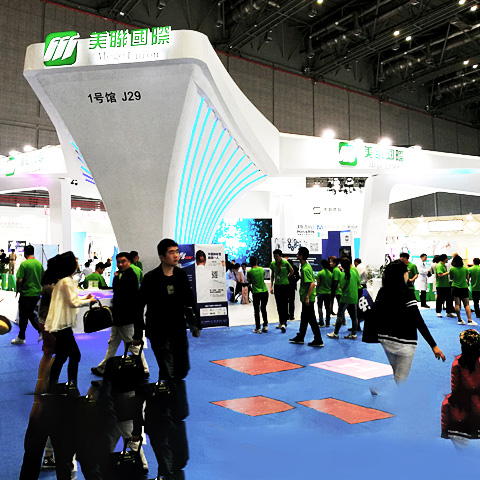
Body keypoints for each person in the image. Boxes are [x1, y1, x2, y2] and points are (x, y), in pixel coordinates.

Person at [135, 239, 201, 388]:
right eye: (171, 252)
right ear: (162, 257)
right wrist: (138, 334)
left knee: (182, 368)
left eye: (177, 252)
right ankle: (169, 393)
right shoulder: (151, 278)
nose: (176, 255)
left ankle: (168, 387)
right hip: (157, 329)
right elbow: (139, 306)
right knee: (168, 368)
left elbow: (189, 301)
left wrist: (196, 325)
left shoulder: (181, 275)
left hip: (177, 327)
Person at [373, 260, 445, 383]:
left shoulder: (382, 292)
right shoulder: (406, 293)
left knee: (397, 374)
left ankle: (383, 387)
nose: (408, 274)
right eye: (406, 272)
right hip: (405, 341)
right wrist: (433, 345)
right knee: (401, 380)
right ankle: (385, 389)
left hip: (385, 339)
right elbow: (418, 320)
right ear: (401, 275)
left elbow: (376, 314)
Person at [45, 251, 97, 391]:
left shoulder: (62, 281)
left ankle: (53, 385)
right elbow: (73, 303)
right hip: (63, 325)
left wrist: (85, 298)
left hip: (59, 324)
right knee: (75, 355)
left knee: (62, 355)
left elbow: (70, 300)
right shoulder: (67, 281)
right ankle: (71, 385)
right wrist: (89, 301)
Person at [91, 252, 149, 377]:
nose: (120, 264)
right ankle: (103, 367)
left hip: (126, 318)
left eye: (123, 261)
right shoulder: (122, 275)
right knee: (113, 343)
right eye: (118, 262)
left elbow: (128, 300)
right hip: (118, 317)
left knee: (133, 346)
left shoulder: (130, 277)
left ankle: (144, 369)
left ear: (129, 262)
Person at [441, 329, 480, 445]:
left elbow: (455, 388)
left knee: (447, 403)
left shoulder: (457, 363)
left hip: (462, 412)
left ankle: (449, 432)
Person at [289, 246, 323, 347]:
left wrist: (307, 297)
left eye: (298, 254)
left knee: (311, 319)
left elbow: (312, 284)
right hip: (306, 298)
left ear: (301, 256)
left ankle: (318, 339)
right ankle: (301, 337)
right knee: (304, 318)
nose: (296, 255)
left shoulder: (305, 269)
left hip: (308, 298)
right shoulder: (305, 267)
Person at [11, 245, 44, 345]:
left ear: (25, 252)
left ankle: (22, 337)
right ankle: (40, 331)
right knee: (30, 314)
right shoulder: (39, 264)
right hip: (36, 294)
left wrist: (17, 290)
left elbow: (19, 280)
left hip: (26, 293)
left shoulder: (24, 264)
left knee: (23, 316)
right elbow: (42, 279)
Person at [327, 257, 361, 340]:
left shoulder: (343, 274)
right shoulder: (354, 272)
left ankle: (335, 333)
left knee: (340, 315)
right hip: (354, 297)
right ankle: (354, 334)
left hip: (345, 298)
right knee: (354, 317)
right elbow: (358, 283)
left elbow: (341, 286)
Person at [270, 249, 293, 333]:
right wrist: (271, 286)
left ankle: (284, 322)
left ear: (280, 256)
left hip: (285, 285)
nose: (275, 258)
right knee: (278, 305)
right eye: (274, 256)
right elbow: (272, 275)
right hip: (277, 286)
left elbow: (292, 271)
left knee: (284, 304)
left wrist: (287, 276)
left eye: (277, 256)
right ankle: (280, 321)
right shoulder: (273, 264)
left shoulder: (286, 263)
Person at [450, 255, 477, 326]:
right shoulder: (465, 269)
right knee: (466, 304)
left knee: (457, 304)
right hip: (464, 288)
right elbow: (467, 278)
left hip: (455, 287)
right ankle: (469, 320)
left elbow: (451, 278)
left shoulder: (452, 269)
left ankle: (459, 319)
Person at [247, 256, 269, 333]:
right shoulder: (261, 269)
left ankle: (258, 328)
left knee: (256, 310)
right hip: (264, 291)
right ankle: (265, 326)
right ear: (256, 261)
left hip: (256, 292)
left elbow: (249, 281)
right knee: (263, 309)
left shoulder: (249, 272)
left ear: (250, 262)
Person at [436, 253, 456, 318]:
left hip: (446, 285)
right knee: (440, 299)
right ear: (444, 258)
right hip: (440, 285)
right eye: (447, 258)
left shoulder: (444, 265)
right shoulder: (439, 265)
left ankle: (449, 312)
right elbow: (440, 275)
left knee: (449, 299)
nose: (447, 259)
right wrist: (448, 272)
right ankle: (438, 312)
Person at [316, 259, 332, 328]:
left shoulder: (320, 273)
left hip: (320, 292)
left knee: (320, 307)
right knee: (327, 308)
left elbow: (318, 284)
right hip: (328, 292)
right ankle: (328, 322)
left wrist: (316, 291)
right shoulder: (330, 274)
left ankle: (321, 322)